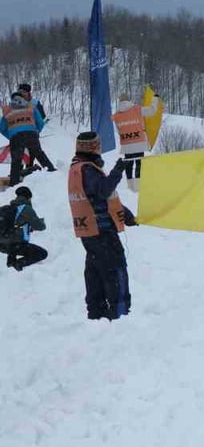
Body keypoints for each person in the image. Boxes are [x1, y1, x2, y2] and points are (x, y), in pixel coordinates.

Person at [69, 132, 137, 321]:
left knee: (95, 270)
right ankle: (120, 313)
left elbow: (100, 199)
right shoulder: (87, 169)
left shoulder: (78, 168)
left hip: (89, 230)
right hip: (101, 230)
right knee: (115, 269)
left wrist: (126, 214)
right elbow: (102, 191)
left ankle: (96, 313)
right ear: (93, 148)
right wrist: (118, 171)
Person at [0, 92, 55, 187]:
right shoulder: (31, 107)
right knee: (39, 153)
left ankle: (14, 183)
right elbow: (40, 123)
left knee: (16, 160)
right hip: (31, 134)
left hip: (16, 136)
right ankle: (51, 171)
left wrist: (11, 135)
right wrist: (36, 131)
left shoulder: (8, 110)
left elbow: (2, 128)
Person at [112, 93, 152, 192]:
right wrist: (155, 99)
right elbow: (152, 110)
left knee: (128, 164)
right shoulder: (137, 109)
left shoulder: (116, 115)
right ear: (129, 100)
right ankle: (138, 185)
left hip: (126, 144)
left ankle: (130, 185)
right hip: (139, 142)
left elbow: (116, 128)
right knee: (139, 162)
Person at [2, 186, 47, 271]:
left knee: (13, 243)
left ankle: (11, 261)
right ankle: (18, 264)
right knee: (42, 253)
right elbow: (40, 227)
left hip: (3, 245)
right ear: (28, 197)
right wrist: (41, 221)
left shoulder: (7, 209)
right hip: (15, 245)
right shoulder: (25, 209)